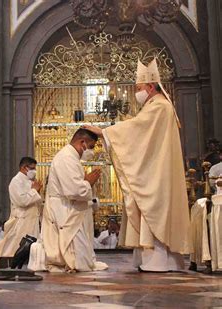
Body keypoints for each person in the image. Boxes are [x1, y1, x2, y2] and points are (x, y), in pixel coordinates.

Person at [83, 59, 191, 272]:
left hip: (157, 174)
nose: (137, 92)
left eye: (139, 88)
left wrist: (102, 131)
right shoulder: (155, 106)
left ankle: (159, 261)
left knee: (152, 208)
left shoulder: (160, 106)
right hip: (154, 169)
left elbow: (137, 130)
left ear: (151, 87)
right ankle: (153, 260)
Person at [41, 129, 107, 272]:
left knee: (81, 253)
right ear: (82, 142)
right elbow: (74, 191)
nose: (91, 151)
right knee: (76, 254)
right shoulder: (66, 158)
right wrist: (88, 182)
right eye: (91, 147)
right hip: (64, 209)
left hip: (68, 207)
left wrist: (86, 183)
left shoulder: (71, 157)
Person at [0, 157, 42, 257]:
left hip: (31, 219)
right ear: (24, 167)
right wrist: (34, 191)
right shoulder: (16, 181)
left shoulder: (30, 181)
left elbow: (35, 201)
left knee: (31, 246)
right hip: (22, 219)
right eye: (32, 168)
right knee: (15, 247)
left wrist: (37, 191)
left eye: (35, 168)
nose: (34, 171)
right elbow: (21, 201)